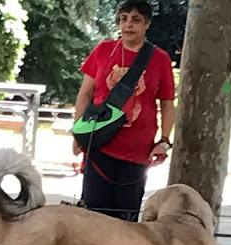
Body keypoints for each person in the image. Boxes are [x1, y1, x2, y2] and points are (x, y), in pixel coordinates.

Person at [72, 0, 175, 221]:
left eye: (136, 20)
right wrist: (77, 132)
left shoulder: (160, 59)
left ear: (146, 24)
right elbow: (85, 93)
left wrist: (164, 141)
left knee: (125, 222)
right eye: (124, 19)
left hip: (137, 152)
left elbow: (167, 103)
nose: (128, 25)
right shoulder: (104, 51)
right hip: (99, 144)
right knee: (93, 219)